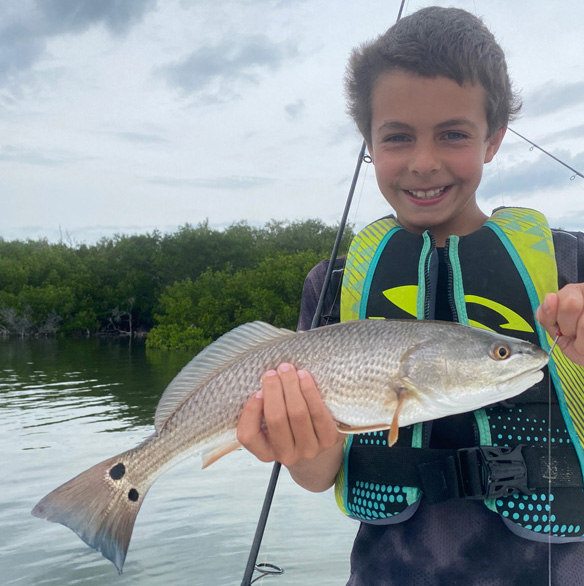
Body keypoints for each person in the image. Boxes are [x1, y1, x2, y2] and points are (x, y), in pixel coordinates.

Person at [237, 7, 584, 585]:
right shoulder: (332, 287)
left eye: (453, 133)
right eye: (397, 137)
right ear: (369, 144)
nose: (424, 163)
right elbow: (320, 475)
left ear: (493, 139)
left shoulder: (571, 266)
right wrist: (297, 446)